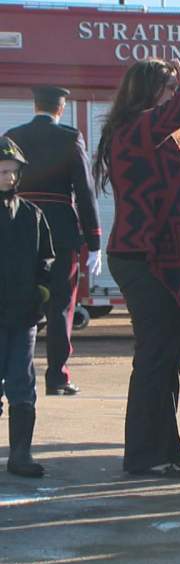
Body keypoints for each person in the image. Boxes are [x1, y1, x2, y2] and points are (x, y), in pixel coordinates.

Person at [94, 59, 180, 478]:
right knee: (155, 359)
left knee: (168, 359)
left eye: (176, 86)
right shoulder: (136, 128)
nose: (175, 92)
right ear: (149, 91)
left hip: (163, 258)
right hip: (146, 259)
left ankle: (168, 451)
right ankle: (143, 456)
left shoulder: (157, 135)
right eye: (168, 87)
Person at [5, 86, 101, 396]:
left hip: (17, 227)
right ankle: (57, 377)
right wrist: (95, 240)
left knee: (12, 299)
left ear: (34, 105)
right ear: (61, 109)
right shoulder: (71, 138)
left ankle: (9, 372)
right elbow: (85, 192)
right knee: (61, 305)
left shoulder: (12, 136)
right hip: (60, 229)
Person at [0, 138, 55, 478]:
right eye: (2, 171)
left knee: (22, 383)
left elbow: (46, 260)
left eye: (12, 172)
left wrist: (41, 294)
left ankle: (21, 454)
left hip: (23, 317)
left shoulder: (32, 215)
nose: (7, 177)